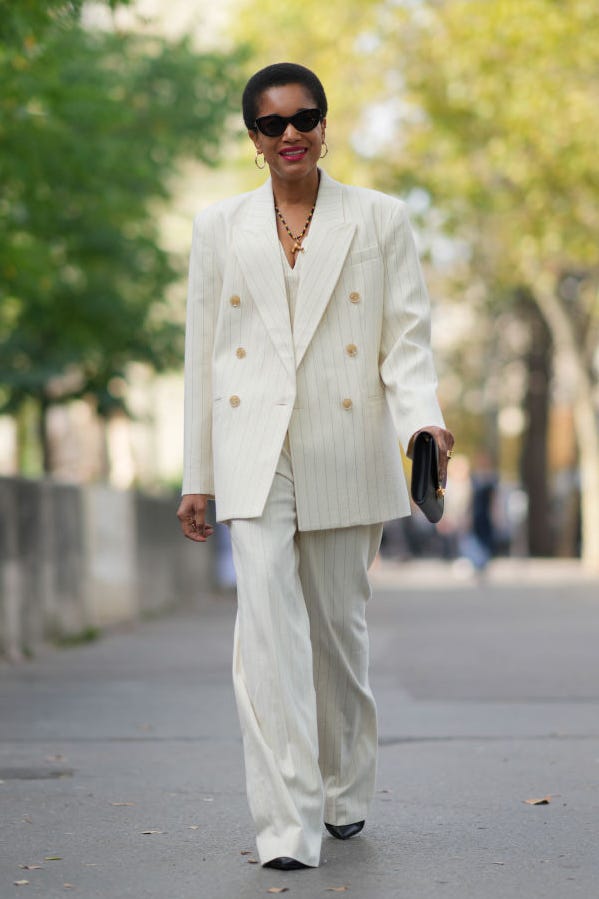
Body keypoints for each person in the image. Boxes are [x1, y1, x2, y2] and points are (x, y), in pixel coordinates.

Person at [177, 62, 454, 871]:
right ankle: (286, 823)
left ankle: (342, 790)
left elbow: (405, 340)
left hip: (346, 442)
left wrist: (422, 422)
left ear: (325, 126)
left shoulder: (381, 219)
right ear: (252, 140)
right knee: (264, 636)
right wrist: (198, 474)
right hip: (252, 448)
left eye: (305, 118)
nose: (290, 133)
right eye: (272, 124)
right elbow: (204, 357)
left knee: (336, 632)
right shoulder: (217, 228)